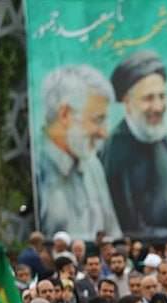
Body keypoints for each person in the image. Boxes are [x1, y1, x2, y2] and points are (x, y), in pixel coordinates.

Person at [100, 50, 167, 236]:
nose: (158, 107)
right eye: (148, 98)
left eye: (162, 96)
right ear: (127, 101)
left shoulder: (164, 140)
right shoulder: (115, 151)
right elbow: (125, 227)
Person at [34, 64, 121, 238]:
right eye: (97, 120)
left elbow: (113, 233)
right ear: (65, 115)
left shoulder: (92, 165)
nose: (104, 133)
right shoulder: (35, 168)